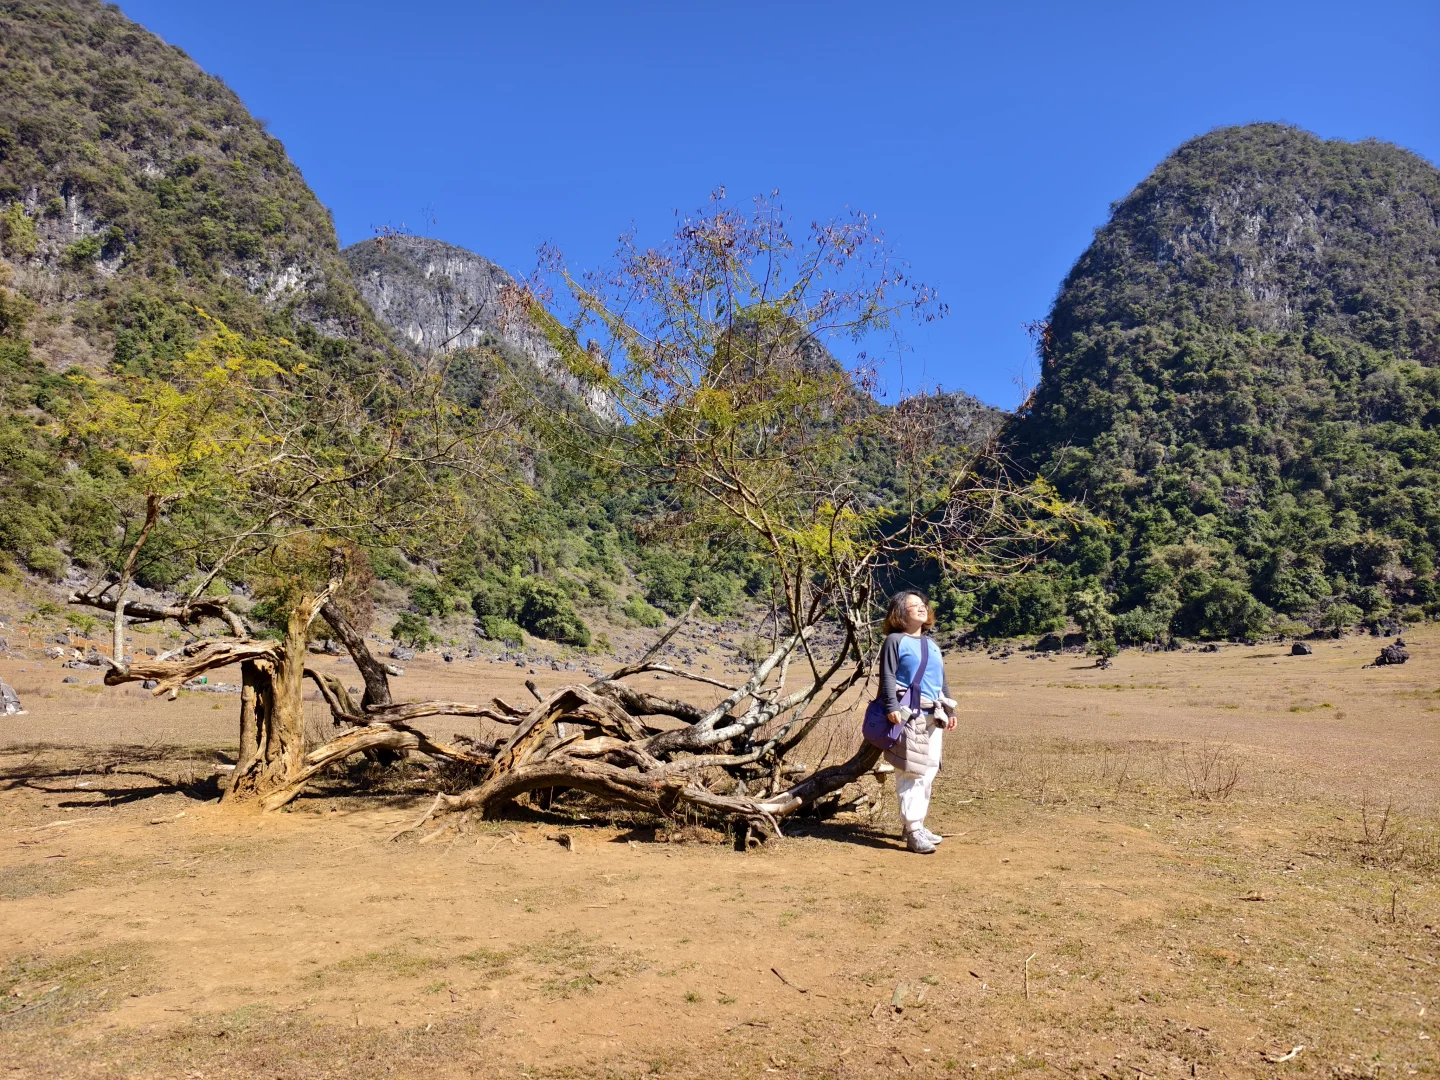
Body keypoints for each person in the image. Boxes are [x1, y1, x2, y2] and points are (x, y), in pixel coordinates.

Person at [878, 590, 957, 854]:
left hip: (933, 714)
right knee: (911, 770)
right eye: (914, 605)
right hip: (908, 715)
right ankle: (913, 830)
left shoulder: (932, 644)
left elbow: (941, 680)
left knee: (930, 769)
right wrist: (891, 706)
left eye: (923, 604)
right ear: (900, 612)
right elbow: (887, 675)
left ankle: (916, 824)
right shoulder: (894, 641)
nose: (922, 608)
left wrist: (949, 708)